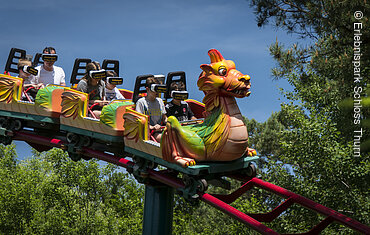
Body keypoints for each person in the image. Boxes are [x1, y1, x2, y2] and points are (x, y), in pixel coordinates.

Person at [135, 76, 167, 142]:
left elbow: (164, 117)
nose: (157, 92)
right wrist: (152, 127)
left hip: (160, 129)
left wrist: (169, 122)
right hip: (149, 132)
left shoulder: (160, 101)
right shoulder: (141, 102)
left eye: (157, 90)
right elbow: (139, 122)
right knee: (165, 139)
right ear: (147, 89)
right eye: (154, 90)